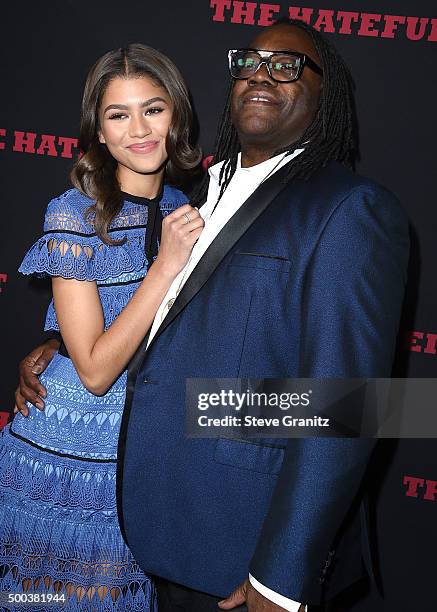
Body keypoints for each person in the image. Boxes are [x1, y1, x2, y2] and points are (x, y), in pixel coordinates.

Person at [16, 18, 409, 612]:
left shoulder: (349, 208)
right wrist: (60, 344)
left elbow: (352, 404)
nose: (262, 74)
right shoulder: (200, 194)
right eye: (250, 62)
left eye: (287, 66)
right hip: (138, 505)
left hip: (232, 541)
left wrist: (282, 574)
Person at [1, 43, 204, 609]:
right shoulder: (72, 213)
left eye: (153, 109)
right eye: (119, 114)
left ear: (177, 116)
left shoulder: (190, 212)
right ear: (99, 130)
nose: (138, 129)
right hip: (59, 457)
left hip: (139, 463)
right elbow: (92, 369)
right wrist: (165, 266)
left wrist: (50, 339)